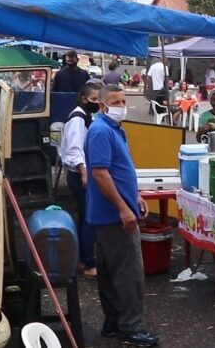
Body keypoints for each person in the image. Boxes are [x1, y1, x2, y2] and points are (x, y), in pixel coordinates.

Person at [85, 83, 159, 346]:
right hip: (113, 216)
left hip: (115, 213)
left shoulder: (115, 129)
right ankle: (130, 327)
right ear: (103, 105)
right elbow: (100, 173)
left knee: (109, 271)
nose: (121, 107)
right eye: (115, 103)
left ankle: (114, 321)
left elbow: (120, 168)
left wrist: (135, 195)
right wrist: (123, 208)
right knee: (129, 274)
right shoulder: (100, 132)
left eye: (123, 101)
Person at [61, 82, 100, 278]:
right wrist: (84, 173)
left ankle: (82, 260)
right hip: (79, 174)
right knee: (88, 219)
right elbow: (75, 149)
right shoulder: (78, 118)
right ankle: (89, 263)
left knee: (84, 217)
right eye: (93, 99)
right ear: (84, 99)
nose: (96, 102)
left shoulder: (85, 115)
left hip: (81, 173)